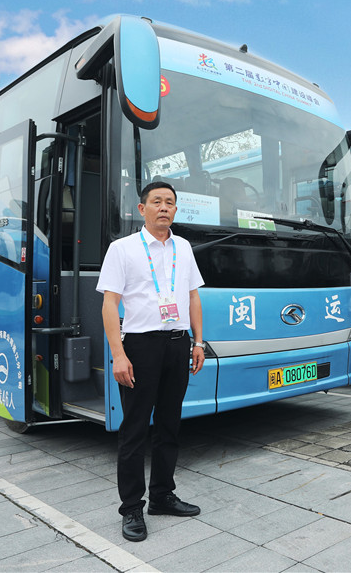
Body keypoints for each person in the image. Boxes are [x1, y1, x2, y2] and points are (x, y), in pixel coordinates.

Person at [97, 181, 206, 543]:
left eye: (170, 202)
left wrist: (197, 342)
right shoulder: (122, 248)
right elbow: (109, 304)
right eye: (156, 201)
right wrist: (118, 354)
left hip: (177, 344)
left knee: (170, 425)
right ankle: (132, 508)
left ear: (176, 209)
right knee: (135, 429)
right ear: (142, 209)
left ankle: (162, 495)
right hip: (140, 346)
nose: (164, 207)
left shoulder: (183, 247)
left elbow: (192, 297)